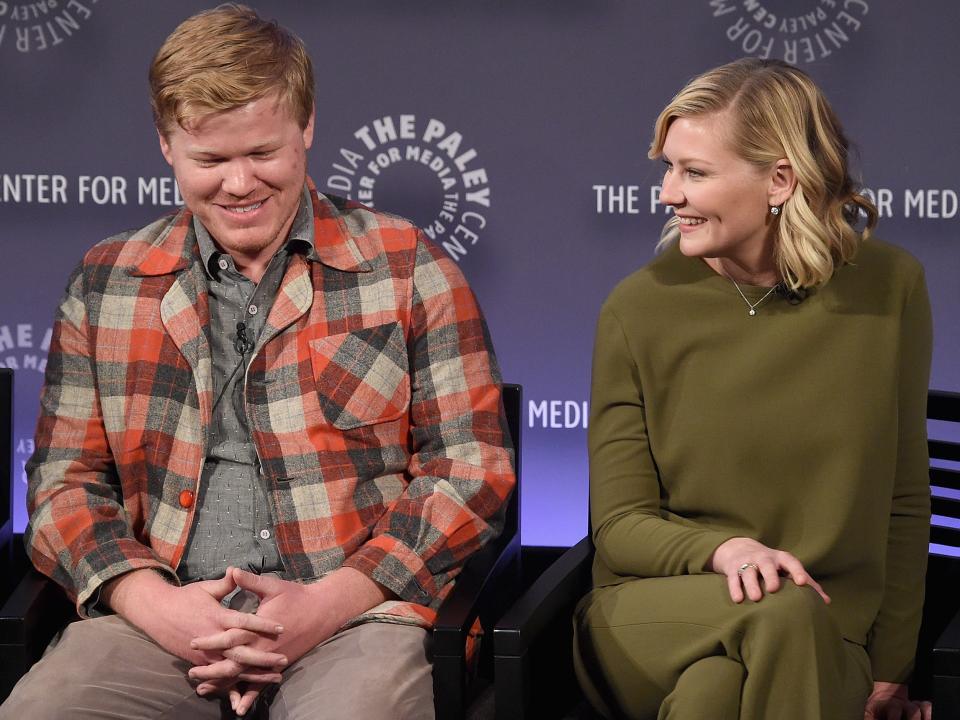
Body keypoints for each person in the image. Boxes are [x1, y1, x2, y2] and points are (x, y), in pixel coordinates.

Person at [0, 5, 514, 719]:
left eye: (262, 154)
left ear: (306, 128)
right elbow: (65, 482)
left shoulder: (406, 266)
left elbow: (471, 468)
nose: (240, 184)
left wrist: (332, 600)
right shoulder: (105, 282)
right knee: (45, 710)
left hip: (353, 615)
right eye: (210, 160)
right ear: (166, 144)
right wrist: (152, 602)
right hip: (166, 617)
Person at [575, 59, 932, 720]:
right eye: (667, 168)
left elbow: (904, 497)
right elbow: (620, 527)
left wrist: (892, 671)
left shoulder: (890, 289)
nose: (667, 194)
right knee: (780, 613)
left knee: (713, 697)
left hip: (827, 624)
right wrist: (724, 550)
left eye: (695, 172)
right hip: (658, 611)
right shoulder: (637, 308)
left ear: (779, 179)